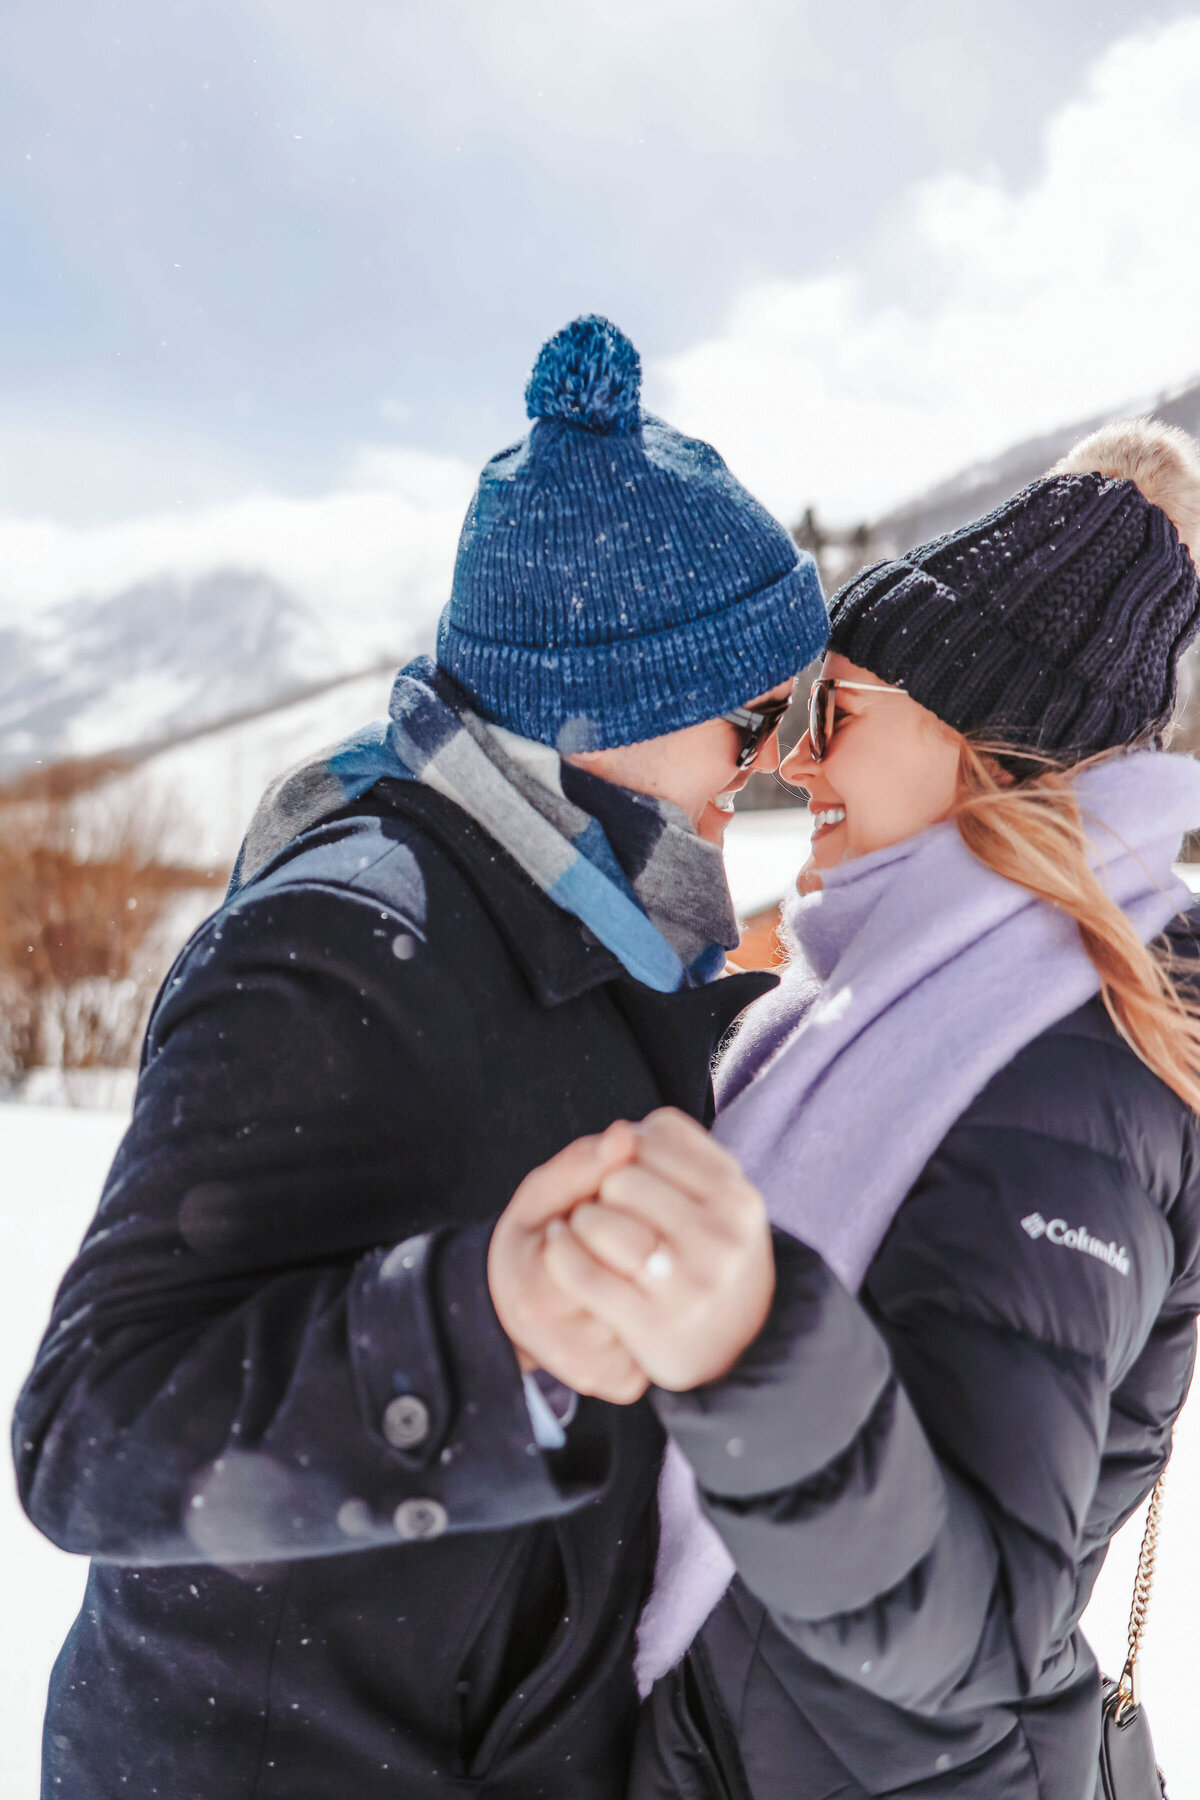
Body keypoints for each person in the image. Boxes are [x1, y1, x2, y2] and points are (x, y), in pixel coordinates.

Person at [12, 315, 828, 1799]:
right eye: (755, 715)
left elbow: (529, 1081)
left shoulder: (574, 912)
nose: (770, 762)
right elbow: (86, 1430)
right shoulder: (342, 945)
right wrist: (485, 1327)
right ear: (615, 710)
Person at [530, 419, 1200, 1799]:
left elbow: (972, 1624)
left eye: (837, 715)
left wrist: (748, 1343)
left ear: (981, 743)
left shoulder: (1070, 1073)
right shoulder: (891, 996)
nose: (793, 766)